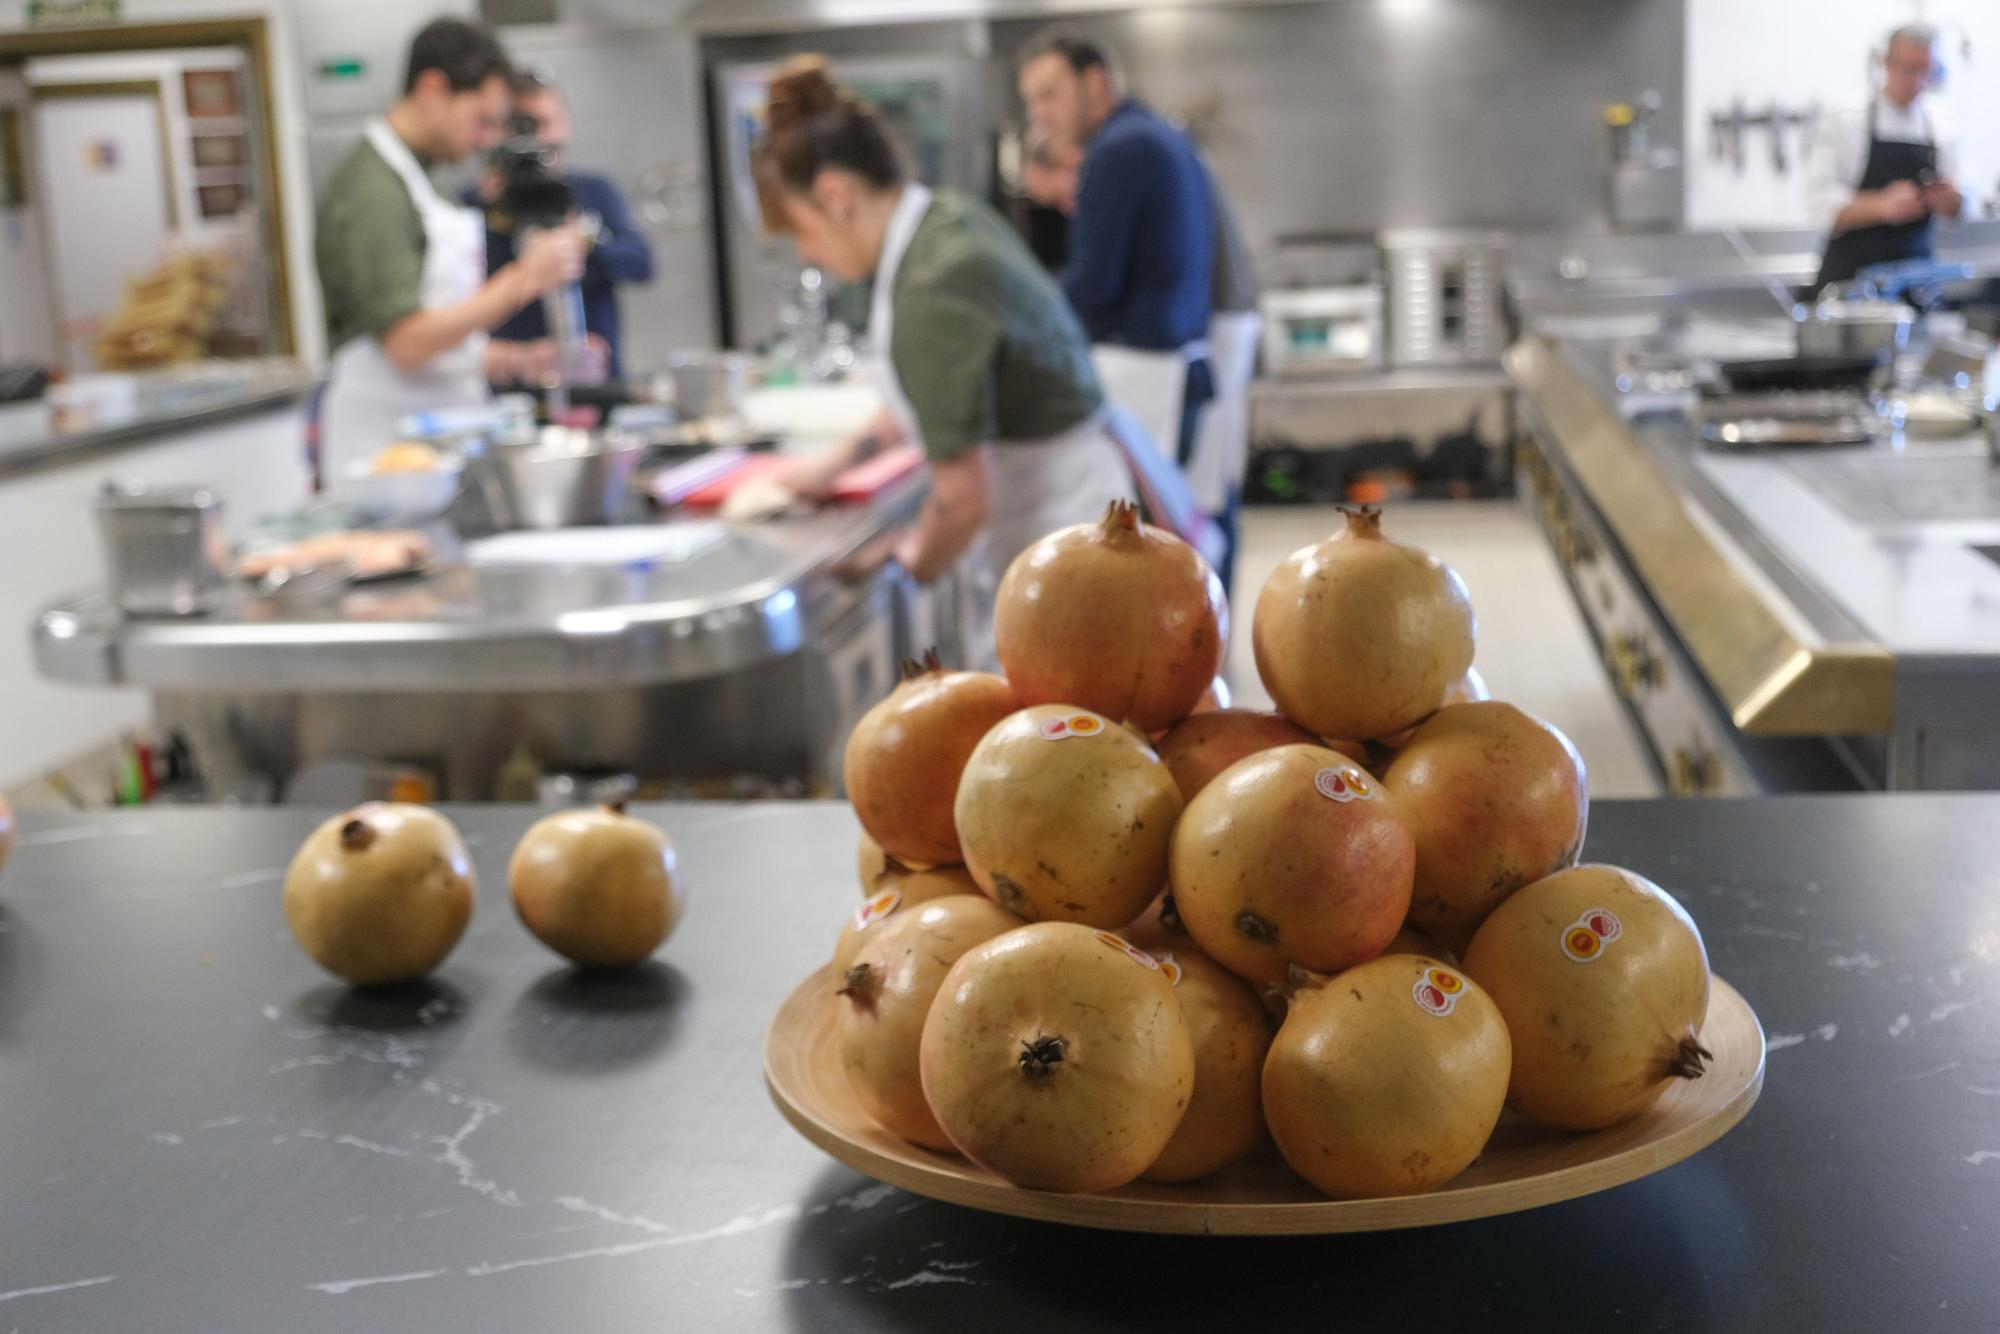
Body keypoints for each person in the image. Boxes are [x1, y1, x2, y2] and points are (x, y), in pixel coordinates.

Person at [753, 57, 1138, 665]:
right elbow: (917, 398)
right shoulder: (939, 222)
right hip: (1072, 513)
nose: (808, 252)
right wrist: (825, 470)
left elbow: (962, 502)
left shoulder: (931, 283)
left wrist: (911, 560)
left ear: (835, 196)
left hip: (1060, 543)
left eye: (800, 229)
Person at [313, 18, 584, 487]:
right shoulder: (372, 191)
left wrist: (519, 359)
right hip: (386, 456)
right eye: (481, 120)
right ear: (433, 89)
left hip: (438, 444)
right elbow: (407, 343)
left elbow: (443, 339)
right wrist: (525, 277)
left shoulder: (429, 181)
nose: (486, 140)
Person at [1017, 122, 1258, 592]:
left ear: (1070, 162)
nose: (1069, 209)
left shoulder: (1130, 163)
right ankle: (1212, 612)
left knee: (1199, 501)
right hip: (1209, 336)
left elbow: (1096, 288)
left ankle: (1209, 613)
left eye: (1063, 197)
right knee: (1203, 495)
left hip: (1209, 337)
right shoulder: (1166, 153)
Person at [1017, 33, 1214, 470]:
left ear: (1096, 82)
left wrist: (1022, 318)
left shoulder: (1119, 149)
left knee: (1136, 535)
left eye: (1050, 95)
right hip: (1174, 365)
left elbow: (1093, 285)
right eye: (1031, 102)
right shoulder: (1154, 133)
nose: (1040, 115)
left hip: (1144, 374)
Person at [469, 68, 654, 383]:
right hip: (511, 384)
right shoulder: (472, 207)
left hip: (593, 379)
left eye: (546, 123)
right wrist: (493, 214)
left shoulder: (591, 191)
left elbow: (641, 264)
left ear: (564, 123)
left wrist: (584, 241)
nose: (539, 139)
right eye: (524, 126)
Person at [1806, 22, 1964, 297]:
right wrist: (1881, 206)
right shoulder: (1844, 117)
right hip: (1850, 285)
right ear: (1885, 64)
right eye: (1907, 69)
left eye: (1924, 70)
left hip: (1916, 284)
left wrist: (1949, 200)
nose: (1916, 81)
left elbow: (1962, 205)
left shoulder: (1942, 123)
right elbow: (1819, 204)